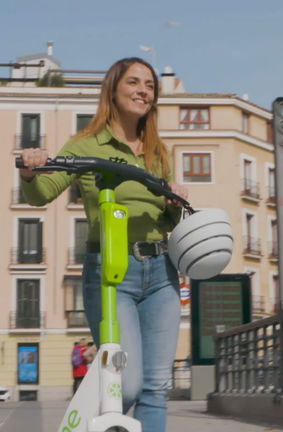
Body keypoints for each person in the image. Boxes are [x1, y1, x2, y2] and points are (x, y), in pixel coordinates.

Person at [20, 57, 187, 432]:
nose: (143, 90)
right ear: (113, 88)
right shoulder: (85, 144)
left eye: (150, 85)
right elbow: (43, 193)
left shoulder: (158, 150)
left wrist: (175, 204)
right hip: (112, 272)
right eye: (134, 82)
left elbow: (167, 220)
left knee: (155, 387)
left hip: (162, 272)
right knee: (125, 384)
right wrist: (31, 169)